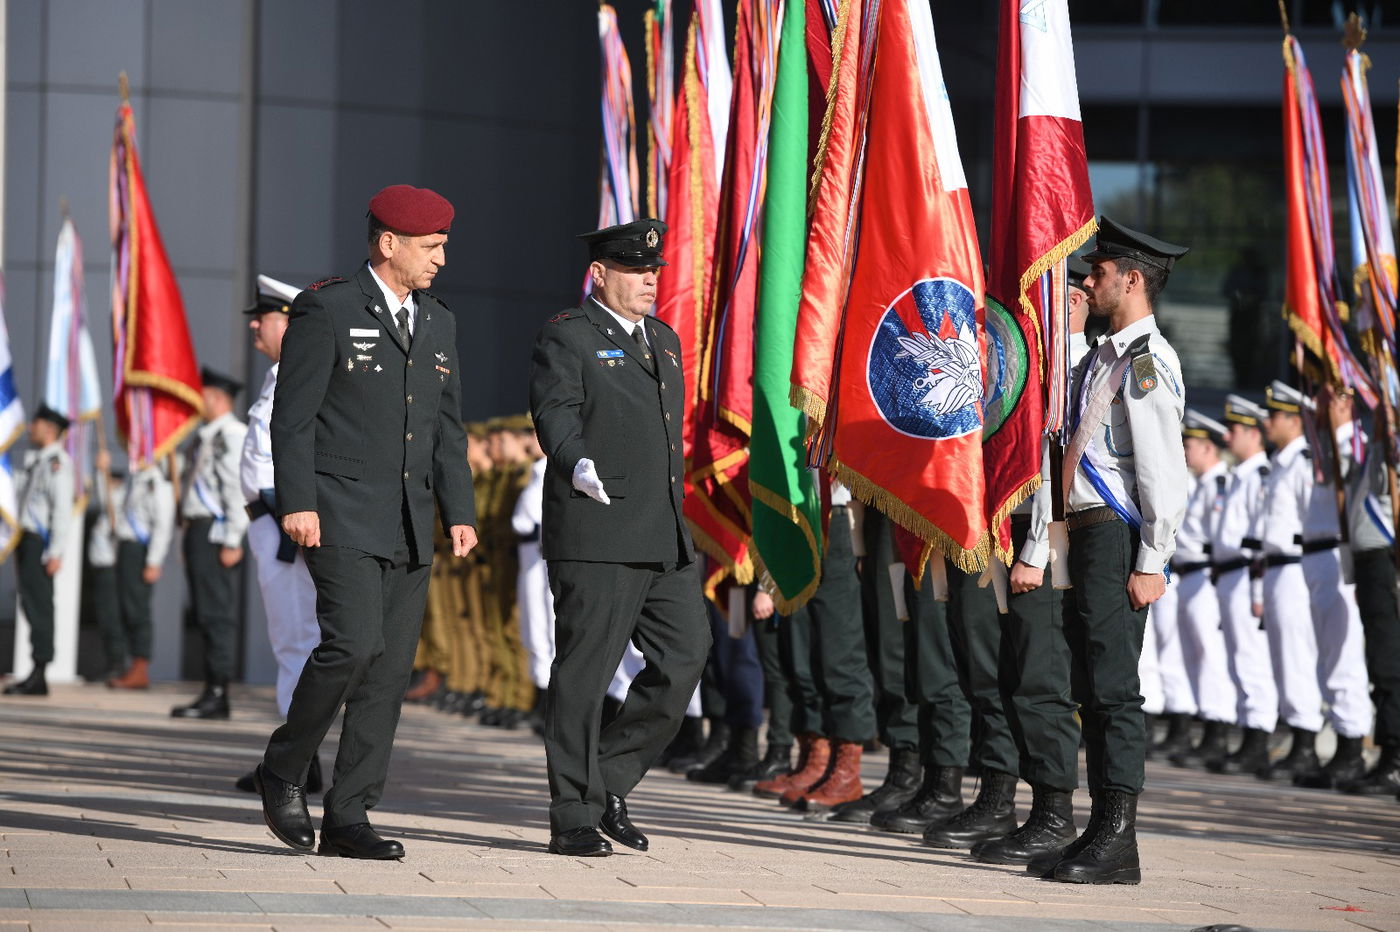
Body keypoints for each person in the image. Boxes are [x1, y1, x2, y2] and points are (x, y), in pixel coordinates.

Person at [255, 184, 477, 860]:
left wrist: (460, 511)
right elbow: (291, 418)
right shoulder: (326, 309)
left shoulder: (438, 322)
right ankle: (284, 766)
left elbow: (448, 430)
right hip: (339, 513)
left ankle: (350, 815)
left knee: (387, 671)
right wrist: (297, 500)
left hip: (409, 521)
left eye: (443, 246)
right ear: (389, 244)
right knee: (350, 645)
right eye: (431, 246)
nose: (441, 258)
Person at [528, 218, 710, 857]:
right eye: (634, 270)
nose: (648, 281)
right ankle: (573, 814)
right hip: (598, 529)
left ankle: (606, 781)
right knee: (585, 676)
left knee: (686, 655)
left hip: (662, 532)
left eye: (654, 271)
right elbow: (555, 411)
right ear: (599, 273)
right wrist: (574, 460)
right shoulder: (569, 336)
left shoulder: (663, 339)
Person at [1037, 217, 1190, 885]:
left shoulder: (1148, 362)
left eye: (1098, 272)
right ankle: (1100, 826)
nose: (1088, 280)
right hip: (1087, 533)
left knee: (1114, 688)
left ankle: (1120, 838)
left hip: (1118, 535)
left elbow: (1162, 472)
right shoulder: (1105, 355)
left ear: (1132, 279)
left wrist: (1153, 561)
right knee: (1090, 685)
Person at [971, 256, 1094, 866]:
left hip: (1051, 543)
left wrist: (1035, 549)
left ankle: (1053, 812)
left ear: (1071, 301)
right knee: (1016, 675)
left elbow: (1054, 467)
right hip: (1017, 534)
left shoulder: (1078, 368)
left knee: (1041, 680)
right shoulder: (1033, 362)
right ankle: (1027, 802)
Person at [1254, 381, 1372, 788]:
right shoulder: (1311, 453)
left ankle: (1352, 746)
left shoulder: (1346, 445)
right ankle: (1334, 744)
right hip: (1312, 557)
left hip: (1335, 554)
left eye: (1329, 398)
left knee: (1342, 658)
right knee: (1323, 660)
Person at [232, 276, 324, 795]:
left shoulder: (295, 373)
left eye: (262, 315)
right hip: (269, 523)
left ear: (287, 322)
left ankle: (295, 764)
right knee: (291, 641)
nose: (253, 323)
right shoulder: (278, 375)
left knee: (297, 642)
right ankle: (297, 757)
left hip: (283, 522)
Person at [172, 368, 249, 719]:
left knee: (216, 614)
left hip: (215, 532)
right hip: (199, 530)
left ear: (216, 398)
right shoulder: (205, 436)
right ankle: (210, 689)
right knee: (204, 613)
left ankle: (218, 692)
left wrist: (234, 538)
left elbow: (235, 489)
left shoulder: (230, 436)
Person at [1334, 389, 1400, 797]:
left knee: (1389, 661)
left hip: (1386, 558)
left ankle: (1394, 757)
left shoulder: (1390, 445)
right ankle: (1388, 753)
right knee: (1380, 660)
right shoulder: (1378, 444)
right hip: (1370, 561)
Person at [1207, 395, 1277, 776]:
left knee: (1251, 661)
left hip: (1247, 573)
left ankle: (1258, 739)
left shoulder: (1260, 476)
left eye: (1234, 429)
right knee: (1237, 660)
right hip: (1228, 575)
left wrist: (1256, 590)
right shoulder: (1240, 475)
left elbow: (1261, 540)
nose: (1228, 435)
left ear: (1253, 434)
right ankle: (1248, 737)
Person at [1168, 410, 1237, 769]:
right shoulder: (1200, 484)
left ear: (1208, 447)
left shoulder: (1221, 484)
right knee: (1193, 655)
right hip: (1189, 574)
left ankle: (1217, 731)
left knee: (1211, 655)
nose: (1184, 451)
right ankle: (1199, 728)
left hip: (1208, 575)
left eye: (1189, 444)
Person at [4, 405, 75, 696]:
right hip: (27, 540)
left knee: (40, 606)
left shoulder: (58, 463)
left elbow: (60, 511)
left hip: (40, 543)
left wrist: (56, 552)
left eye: (35, 424)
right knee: (31, 605)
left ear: (48, 429)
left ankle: (40, 671)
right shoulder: (38, 462)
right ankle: (36, 671)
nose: (30, 429)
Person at [104, 455, 176, 690]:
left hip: (140, 550)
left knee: (137, 609)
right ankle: (129, 664)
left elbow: (163, 525)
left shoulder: (157, 483)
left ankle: (140, 666)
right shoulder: (136, 478)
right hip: (126, 548)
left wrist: (154, 560)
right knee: (124, 607)